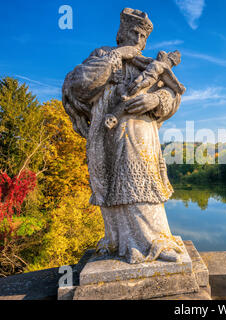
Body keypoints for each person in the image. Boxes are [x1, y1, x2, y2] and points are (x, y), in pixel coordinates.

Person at [62, 8, 185, 264]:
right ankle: (121, 242)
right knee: (115, 189)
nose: (139, 40)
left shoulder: (149, 65)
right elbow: (79, 86)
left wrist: (154, 99)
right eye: (135, 33)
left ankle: (156, 242)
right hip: (107, 135)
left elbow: (173, 95)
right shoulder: (102, 56)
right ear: (122, 33)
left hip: (142, 135)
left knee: (143, 186)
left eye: (143, 36)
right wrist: (116, 57)